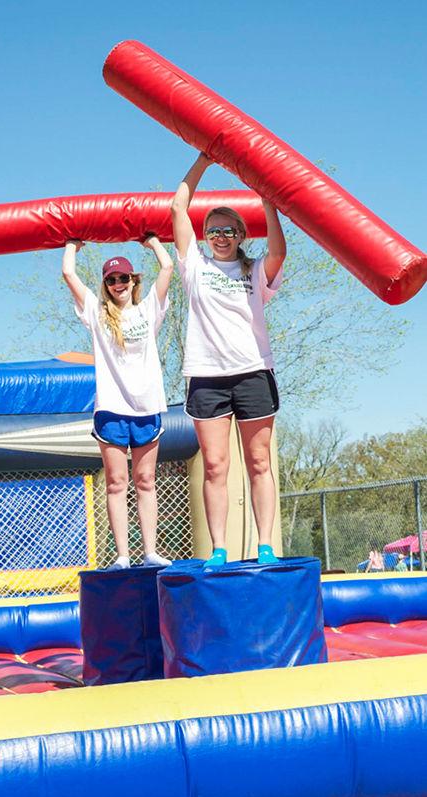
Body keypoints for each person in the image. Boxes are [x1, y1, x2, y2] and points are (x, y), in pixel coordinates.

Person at [171, 152, 286, 568]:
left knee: (258, 462)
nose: (220, 235)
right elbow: (177, 207)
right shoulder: (194, 267)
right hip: (207, 376)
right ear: (205, 237)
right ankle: (218, 548)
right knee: (215, 465)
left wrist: (267, 200)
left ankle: (266, 544)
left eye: (228, 230)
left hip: (253, 372)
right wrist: (202, 160)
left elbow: (278, 250)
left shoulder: (255, 271)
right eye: (213, 230)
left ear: (240, 234)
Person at [62, 236, 173, 571]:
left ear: (133, 280)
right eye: (111, 280)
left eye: (123, 277)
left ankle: (150, 552)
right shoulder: (97, 314)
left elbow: (168, 267)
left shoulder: (148, 310)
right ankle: (123, 556)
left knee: (145, 480)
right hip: (111, 409)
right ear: (106, 285)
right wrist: (72, 245)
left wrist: (152, 241)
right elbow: (69, 274)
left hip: (146, 407)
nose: (117, 284)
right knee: (116, 482)